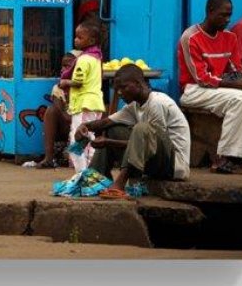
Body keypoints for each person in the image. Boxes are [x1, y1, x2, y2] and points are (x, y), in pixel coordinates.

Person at [75, 64, 192, 199]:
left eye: (123, 87)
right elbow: (106, 122)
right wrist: (84, 127)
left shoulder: (158, 102)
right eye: (117, 89)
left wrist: (108, 142)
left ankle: (120, 183)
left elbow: (150, 144)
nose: (119, 92)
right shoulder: (134, 106)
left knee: (141, 129)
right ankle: (95, 179)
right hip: (155, 162)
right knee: (112, 129)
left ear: (138, 84)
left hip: (174, 166)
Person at [178, 0, 242, 174]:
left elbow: (238, 71)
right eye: (223, 15)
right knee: (241, 98)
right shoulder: (191, 37)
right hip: (193, 90)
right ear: (210, 12)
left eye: (229, 15)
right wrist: (238, 84)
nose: (227, 20)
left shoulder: (229, 38)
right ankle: (225, 158)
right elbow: (201, 78)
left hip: (217, 89)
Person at [23, 48, 82, 169]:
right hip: (67, 125)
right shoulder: (58, 88)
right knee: (50, 111)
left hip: (83, 126)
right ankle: (48, 158)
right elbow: (61, 112)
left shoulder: (85, 88)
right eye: (62, 66)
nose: (62, 70)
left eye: (67, 66)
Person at [61, 23, 107, 172]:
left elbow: (78, 82)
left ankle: (81, 174)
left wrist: (65, 82)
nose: (76, 40)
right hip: (95, 103)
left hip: (83, 104)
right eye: (76, 36)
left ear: (92, 40)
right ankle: (93, 171)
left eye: (80, 37)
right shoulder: (97, 57)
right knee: (90, 139)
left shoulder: (83, 59)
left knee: (78, 140)